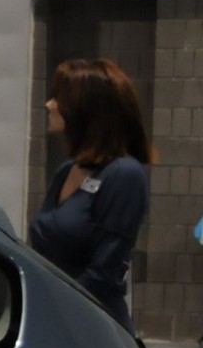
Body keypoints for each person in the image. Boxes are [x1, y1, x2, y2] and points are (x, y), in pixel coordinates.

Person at [30, 57, 153, 332]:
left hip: (94, 328)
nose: (49, 104)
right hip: (59, 321)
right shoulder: (66, 171)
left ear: (85, 109)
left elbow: (103, 273)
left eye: (58, 97)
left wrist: (52, 313)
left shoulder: (124, 175)